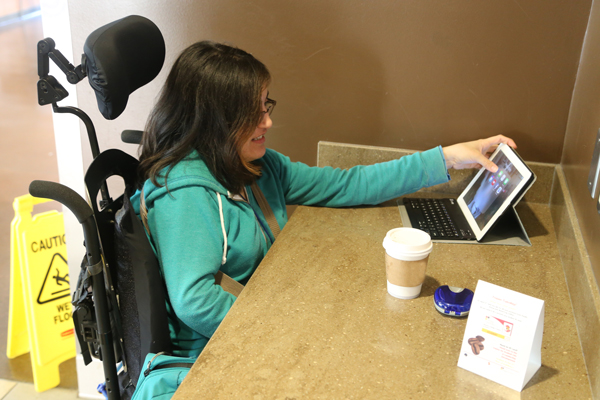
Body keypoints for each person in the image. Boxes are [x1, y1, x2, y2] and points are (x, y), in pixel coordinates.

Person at [132, 41, 516, 358]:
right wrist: (284, 333)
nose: (267, 122)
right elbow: (194, 302)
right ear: (214, 121)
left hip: (262, 314)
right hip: (216, 353)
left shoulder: (252, 166)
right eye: (252, 113)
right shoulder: (184, 196)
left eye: (266, 105)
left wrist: (446, 158)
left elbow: (345, 184)